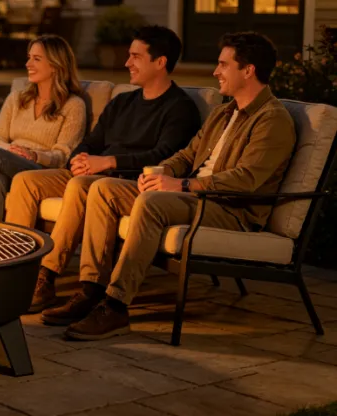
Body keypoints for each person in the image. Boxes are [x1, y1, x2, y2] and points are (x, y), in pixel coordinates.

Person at [49, 31, 295, 341]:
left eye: (223, 65)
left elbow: (244, 179)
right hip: (196, 197)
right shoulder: (224, 112)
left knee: (151, 203)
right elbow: (188, 155)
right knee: (102, 188)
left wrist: (181, 184)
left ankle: (115, 306)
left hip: (231, 208)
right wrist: (160, 172)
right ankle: (91, 289)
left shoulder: (272, 119)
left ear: (248, 70)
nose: (215, 72)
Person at [4, 25, 202, 314]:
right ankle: (14, 271)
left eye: (135, 56)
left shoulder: (180, 108)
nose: (127, 63)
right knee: (26, 181)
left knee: (80, 185)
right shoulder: (123, 101)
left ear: (160, 62)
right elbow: (91, 141)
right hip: (95, 172)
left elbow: (164, 156)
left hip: (127, 180)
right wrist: (79, 159)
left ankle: (47, 277)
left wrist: (109, 162)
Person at [0, 35, 86, 222]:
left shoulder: (74, 106)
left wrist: (34, 155)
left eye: (37, 59)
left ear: (55, 65)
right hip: (9, 163)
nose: (28, 64)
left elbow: (63, 155)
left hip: (41, 169)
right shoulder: (17, 99)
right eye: (29, 58)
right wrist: (11, 150)